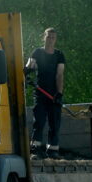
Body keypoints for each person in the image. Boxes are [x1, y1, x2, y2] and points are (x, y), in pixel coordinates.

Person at [25, 27, 65, 156]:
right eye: (48, 37)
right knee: (39, 121)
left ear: (55, 39)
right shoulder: (37, 52)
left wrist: (59, 93)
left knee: (54, 123)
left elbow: (59, 75)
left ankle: (53, 150)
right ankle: (35, 149)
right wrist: (25, 73)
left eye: (53, 37)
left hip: (54, 95)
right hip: (40, 93)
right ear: (44, 37)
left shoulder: (59, 55)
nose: (50, 40)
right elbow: (29, 66)